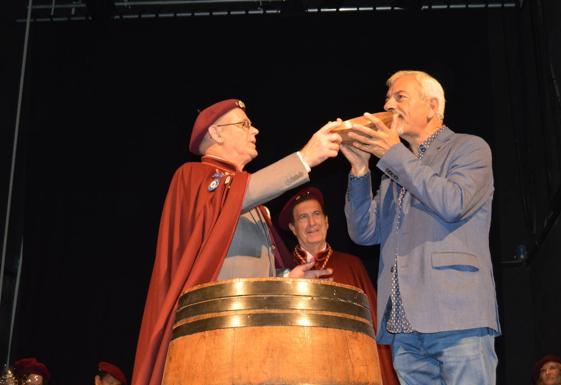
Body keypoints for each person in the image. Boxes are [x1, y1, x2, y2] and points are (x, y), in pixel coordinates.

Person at [132, 98, 343, 385]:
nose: (255, 131)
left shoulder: (248, 199)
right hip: (214, 332)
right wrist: (304, 158)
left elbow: (248, 266)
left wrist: (285, 277)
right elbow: (235, 197)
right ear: (216, 133)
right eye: (244, 124)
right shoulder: (193, 177)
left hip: (251, 335)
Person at [341, 70, 500, 385]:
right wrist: (360, 170)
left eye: (399, 97)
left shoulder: (469, 148)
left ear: (432, 106)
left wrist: (393, 156)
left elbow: (452, 203)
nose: (388, 105)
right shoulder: (393, 172)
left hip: (457, 315)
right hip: (405, 328)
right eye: (387, 99)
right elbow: (364, 232)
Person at [277, 185, 400, 385]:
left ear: (326, 222)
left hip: (351, 369)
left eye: (316, 214)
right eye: (302, 217)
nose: (312, 223)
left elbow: (374, 327)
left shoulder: (351, 265)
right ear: (293, 228)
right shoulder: (284, 269)